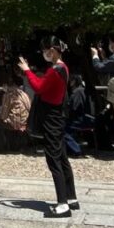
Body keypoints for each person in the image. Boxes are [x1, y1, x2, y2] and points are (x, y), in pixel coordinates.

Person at [20, 38, 78, 217]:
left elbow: (39, 87)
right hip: (58, 116)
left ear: (52, 51)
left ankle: (62, 204)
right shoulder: (64, 68)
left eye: (46, 50)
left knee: (54, 160)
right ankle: (71, 198)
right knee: (62, 157)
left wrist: (27, 71)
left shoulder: (55, 70)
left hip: (51, 118)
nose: (45, 54)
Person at [63, 71, 95, 157]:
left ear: (74, 81)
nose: (69, 82)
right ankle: (70, 149)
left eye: (71, 80)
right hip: (86, 118)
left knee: (63, 130)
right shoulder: (82, 90)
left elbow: (74, 107)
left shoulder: (77, 92)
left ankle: (77, 150)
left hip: (81, 120)